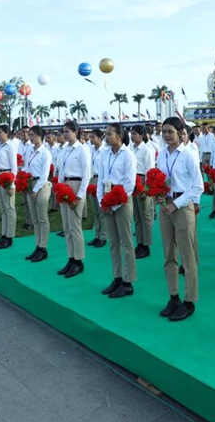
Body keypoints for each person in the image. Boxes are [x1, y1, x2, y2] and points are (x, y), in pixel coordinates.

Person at [155, 117, 203, 320]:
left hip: (182, 206)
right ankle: (173, 296)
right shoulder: (162, 155)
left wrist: (177, 203)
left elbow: (198, 186)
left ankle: (189, 300)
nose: (166, 135)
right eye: (164, 132)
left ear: (180, 132)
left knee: (187, 255)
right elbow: (158, 178)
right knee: (168, 254)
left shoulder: (189, 155)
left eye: (170, 132)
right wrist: (157, 193)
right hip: (165, 206)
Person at [97, 123, 138, 298]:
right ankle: (117, 277)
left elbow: (130, 183)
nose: (106, 137)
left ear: (119, 136)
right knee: (113, 242)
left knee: (126, 241)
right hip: (107, 200)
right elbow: (101, 178)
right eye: (105, 134)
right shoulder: (104, 154)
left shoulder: (128, 155)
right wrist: (102, 201)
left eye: (109, 134)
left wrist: (114, 203)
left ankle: (128, 282)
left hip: (122, 201)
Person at [56, 121, 91, 278]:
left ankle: (79, 261)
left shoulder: (82, 150)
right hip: (65, 185)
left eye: (68, 131)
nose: (65, 134)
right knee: (67, 226)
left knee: (75, 225)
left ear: (76, 132)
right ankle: (70, 258)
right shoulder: (64, 150)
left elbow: (86, 174)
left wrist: (79, 195)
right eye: (63, 131)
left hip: (76, 185)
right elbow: (61, 170)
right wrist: (59, 189)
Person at [24, 126, 53, 262]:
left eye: (34, 135)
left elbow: (44, 174)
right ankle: (37, 246)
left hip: (41, 186)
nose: (31, 137)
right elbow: (27, 167)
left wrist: (35, 190)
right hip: (31, 184)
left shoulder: (45, 153)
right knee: (35, 219)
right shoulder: (30, 150)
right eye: (30, 135)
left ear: (40, 136)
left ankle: (43, 247)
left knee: (42, 218)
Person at [130, 125, 155, 259]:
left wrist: (147, 189)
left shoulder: (147, 150)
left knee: (145, 215)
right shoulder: (131, 149)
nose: (132, 136)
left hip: (142, 181)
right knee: (137, 215)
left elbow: (149, 171)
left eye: (135, 134)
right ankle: (139, 243)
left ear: (142, 135)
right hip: (133, 181)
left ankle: (146, 245)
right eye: (131, 133)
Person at [0, 125, 18, 249]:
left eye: (0, 132)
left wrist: (12, 184)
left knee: (9, 207)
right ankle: (3, 234)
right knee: (3, 208)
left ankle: (9, 236)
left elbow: (14, 166)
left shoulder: (10, 146)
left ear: (7, 133)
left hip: (7, 174)